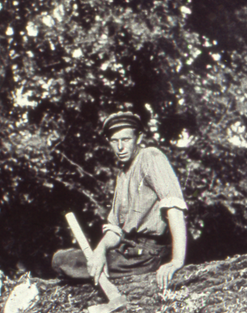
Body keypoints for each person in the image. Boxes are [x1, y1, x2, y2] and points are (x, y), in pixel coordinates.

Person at [51, 110, 188, 290]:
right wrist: (100, 251)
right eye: (115, 141)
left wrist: (176, 260)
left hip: (147, 256)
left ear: (138, 138)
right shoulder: (122, 174)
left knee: (64, 261)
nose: (120, 147)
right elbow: (115, 230)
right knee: (62, 258)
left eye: (126, 139)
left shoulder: (151, 157)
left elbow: (174, 208)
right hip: (127, 251)